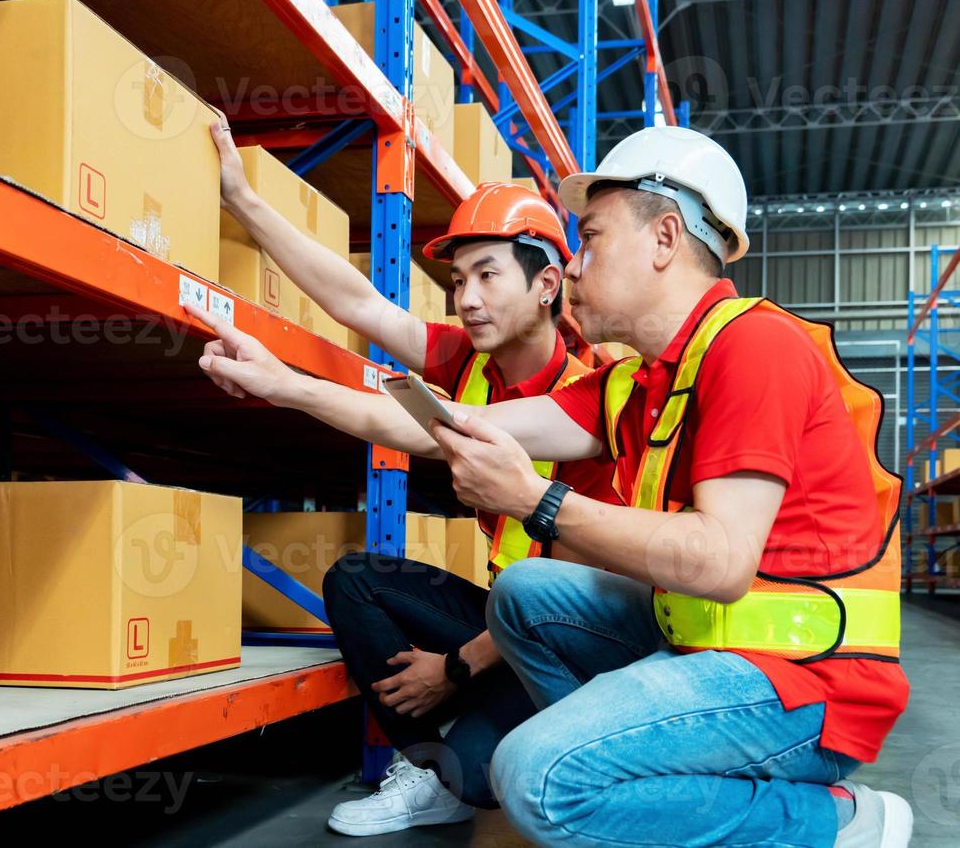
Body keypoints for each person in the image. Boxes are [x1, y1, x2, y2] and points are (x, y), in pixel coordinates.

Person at [401, 126, 910, 847]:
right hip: (714, 651)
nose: (573, 267)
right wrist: (285, 383)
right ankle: (641, 789)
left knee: (531, 778)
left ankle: (836, 822)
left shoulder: (755, 348)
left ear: (664, 237)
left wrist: (535, 499)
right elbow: (450, 422)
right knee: (524, 593)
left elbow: (720, 563)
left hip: (808, 686)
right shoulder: (645, 381)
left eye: (593, 237)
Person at [199, 118, 617, 836]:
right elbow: (358, 304)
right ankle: (431, 772)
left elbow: (565, 602)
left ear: (547, 283)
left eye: (488, 275)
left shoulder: (589, 402)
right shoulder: (470, 363)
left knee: (499, 772)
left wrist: (451, 668)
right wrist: (242, 201)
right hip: (500, 615)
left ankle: (473, 757)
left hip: (566, 641)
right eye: (458, 280)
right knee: (358, 580)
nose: (468, 299)